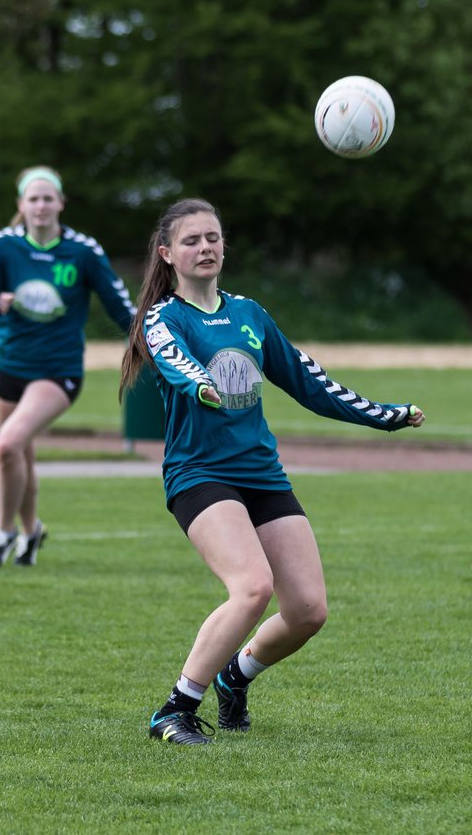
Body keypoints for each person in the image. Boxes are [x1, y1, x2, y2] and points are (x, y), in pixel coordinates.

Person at [119, 198, 425, 745]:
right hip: (200, 474)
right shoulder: (162, 318)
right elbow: (174, 361)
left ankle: (236, 676)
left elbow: (311, 382)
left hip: (261, 473)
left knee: (308, 610)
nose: (206, 247)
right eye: (191, 240)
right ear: (167, 254)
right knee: (252, 587)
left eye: (213, 238)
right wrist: (204, 386)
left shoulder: (250, 314)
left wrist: (386, 416)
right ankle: (175, 709)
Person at [0, 165, 135, 569]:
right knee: (19, 451)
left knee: (7, 444)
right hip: (11, 366)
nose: (40, 205)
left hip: (59, 371)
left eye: (48, 198)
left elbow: (122, 309)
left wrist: (155, 341)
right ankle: (31, 533)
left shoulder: (83, 251)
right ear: (21, 204)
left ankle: (2, 533)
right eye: (33, 198)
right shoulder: (3, 245)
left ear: (61, 203)